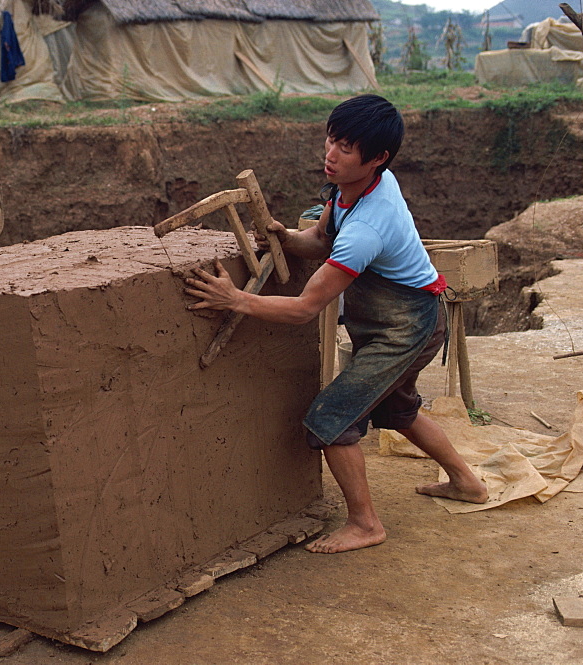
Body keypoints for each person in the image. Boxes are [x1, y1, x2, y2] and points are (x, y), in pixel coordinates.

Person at [184, 94, 488, 554]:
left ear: (378, 158)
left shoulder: (369, 224)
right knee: (398, 410)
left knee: (330, 418)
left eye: (346, 147)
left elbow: (306, 307)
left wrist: (235, 299)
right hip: (407, 319)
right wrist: (284, 237)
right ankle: (467, 482)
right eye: (331, 139)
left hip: (406, 328)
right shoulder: (352, 189)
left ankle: (366, 525)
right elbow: (320, 239)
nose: (331, 154)